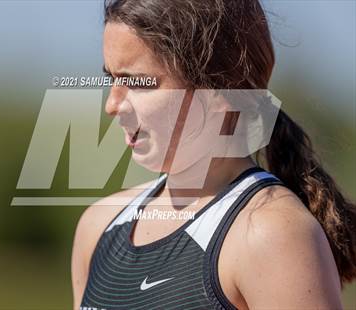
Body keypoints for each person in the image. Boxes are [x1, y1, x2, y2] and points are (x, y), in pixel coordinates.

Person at [72, 0, 356, 309]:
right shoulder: (99, 226)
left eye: (138, 83)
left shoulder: (272, 234)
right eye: (112, 79)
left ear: (219, 91)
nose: (112, 105)